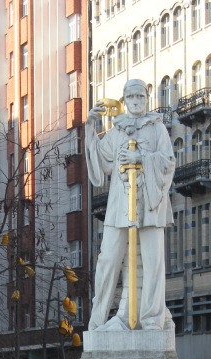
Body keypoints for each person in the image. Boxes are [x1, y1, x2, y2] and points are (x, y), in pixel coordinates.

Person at [85, 79, 176, 331]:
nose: (136, 101)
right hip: (120, 206)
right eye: (131, 97)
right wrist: (90, 127)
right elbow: (100, 164)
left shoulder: (157, 129)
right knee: (107, 260)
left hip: (150, 204)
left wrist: (142, 157)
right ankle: (98, 319)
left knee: (152, 262)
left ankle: (152, 321)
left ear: (146, 99)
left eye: (141, 96)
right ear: (124, 101)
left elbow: (168, 162)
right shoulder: (116, 132)